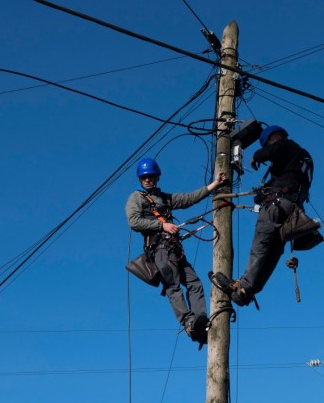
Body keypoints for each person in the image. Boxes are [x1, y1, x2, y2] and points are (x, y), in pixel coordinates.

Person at [125, 158, 227, 344]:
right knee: (173, 286)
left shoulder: (165, 198)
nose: (147, 180)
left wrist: (214, 185)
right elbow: (134, 222)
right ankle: (188, 322)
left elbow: (189, 199)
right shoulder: (136, 198)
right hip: (159, 250)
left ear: (157, 177)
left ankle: (200, 320)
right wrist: (162, 226)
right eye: (144, 177)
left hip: (174, 249)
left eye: (150, 176)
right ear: (140, 180)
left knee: (194, 282)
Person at [211, 125, 313, 307]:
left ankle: (243, 286)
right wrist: (262, 192)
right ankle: (248, 292)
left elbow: (277, 149)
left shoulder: (286, 145)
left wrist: (257, 156)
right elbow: (286, 178)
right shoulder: (303, 157)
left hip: (277, 205)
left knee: (261, 245)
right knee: (272, 252)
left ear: (273, 138)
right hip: (293, 211)